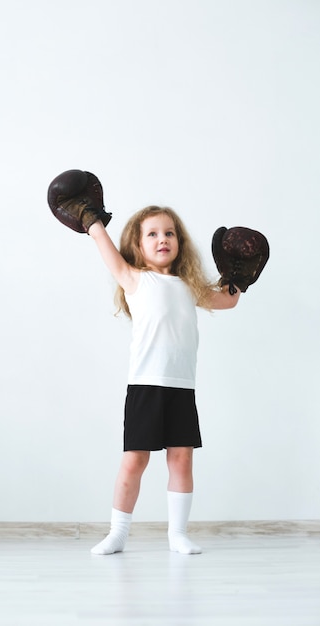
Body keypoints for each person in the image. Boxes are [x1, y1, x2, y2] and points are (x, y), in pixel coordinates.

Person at [87, 205, 241, 556]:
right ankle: (118, 534)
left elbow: (228, 301)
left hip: (182, 387)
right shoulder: (134, 278)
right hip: (145, 384)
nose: (162, 239)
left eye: (169, 233)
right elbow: (103, 246)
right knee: (134, 461)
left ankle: (178, 535)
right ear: (137, 244)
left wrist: (239, 276)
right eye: (152, 234)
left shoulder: (190, 287)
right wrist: (90, 220)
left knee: (182, 459)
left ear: (180, 241)